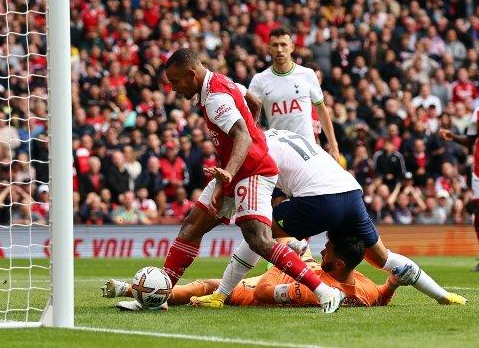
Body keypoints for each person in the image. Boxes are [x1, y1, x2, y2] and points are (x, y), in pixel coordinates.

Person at [114, 49, 345, 313]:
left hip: (253, 170)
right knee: (191, 227)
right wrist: (238, 159)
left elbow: (243, 137)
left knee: (258, 239)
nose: (174, 89)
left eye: (176, 81)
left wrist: (229, 173)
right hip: (234, 170)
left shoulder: (214, 97)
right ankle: (160, 295)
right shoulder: (222, 81)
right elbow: (254, 101)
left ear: (191, 74)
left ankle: (325, 292)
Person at [193, 129, 466, 307]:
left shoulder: (254, 147)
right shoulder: (282, 134)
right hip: (350, 192)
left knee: (257, 233)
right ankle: (443, 296)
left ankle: (220, 294)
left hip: (320, 198)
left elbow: (237, 189)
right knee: (382, 258)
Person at [102, 235, 404, 308]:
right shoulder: (359, 284)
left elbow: (264, 292)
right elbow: (376, 298)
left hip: (261, 287)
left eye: (329, 250)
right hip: (297, 267)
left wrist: (278, 262)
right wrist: (390, 284)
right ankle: (138, 292)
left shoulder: (314, 291)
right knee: (288, 235)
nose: (324, 249)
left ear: (338, 263)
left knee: (205, 286)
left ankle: (136, 292)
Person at [248, 26, 340, 160]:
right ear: (269, 49)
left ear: (291, 47)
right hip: (279, 153)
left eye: (283, 45)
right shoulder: (259, 80)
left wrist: (334, 146)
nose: (279, 49)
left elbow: (321, 110)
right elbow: (249, 116)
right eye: (275, 45)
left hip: (307, 150)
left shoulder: (307, 74)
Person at [439, 106, 479, 271]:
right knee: (477, 214)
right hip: (478, 173)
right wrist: (453, 136)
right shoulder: (477, 112)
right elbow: (470, 140)